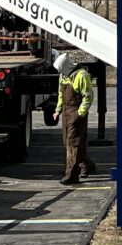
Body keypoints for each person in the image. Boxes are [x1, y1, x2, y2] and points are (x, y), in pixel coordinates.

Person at [52, 52, 94, 185]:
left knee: (73, 143)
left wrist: (81, 113)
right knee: (70, 143)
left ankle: (71, 175)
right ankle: (86, 165)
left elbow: (88, 95)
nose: (59, 72)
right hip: (66, 112)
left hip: (76, 112)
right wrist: (58, 110)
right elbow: (60, 94)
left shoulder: (81, 75)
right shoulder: (63, 76)